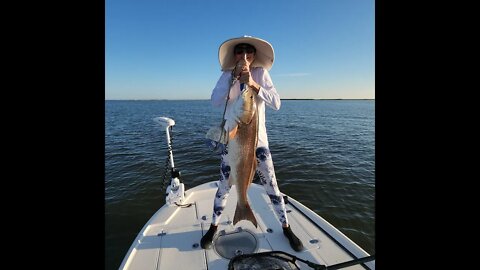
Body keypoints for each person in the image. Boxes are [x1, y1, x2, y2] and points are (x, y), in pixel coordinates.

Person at [201, 36, 304, 252]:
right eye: (240, 51)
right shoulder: (226, 76)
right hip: (233, 142)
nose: (244, 55)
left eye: (249, 51)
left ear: (254, 55)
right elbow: (215, 101)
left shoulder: (261, 74)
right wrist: (232, 80)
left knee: (272, 187)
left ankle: (286, 227)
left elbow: (276, 103)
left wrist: (253, 84)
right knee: (223, 188)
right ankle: (213, 226)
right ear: (235, 55)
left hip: (259, 142)